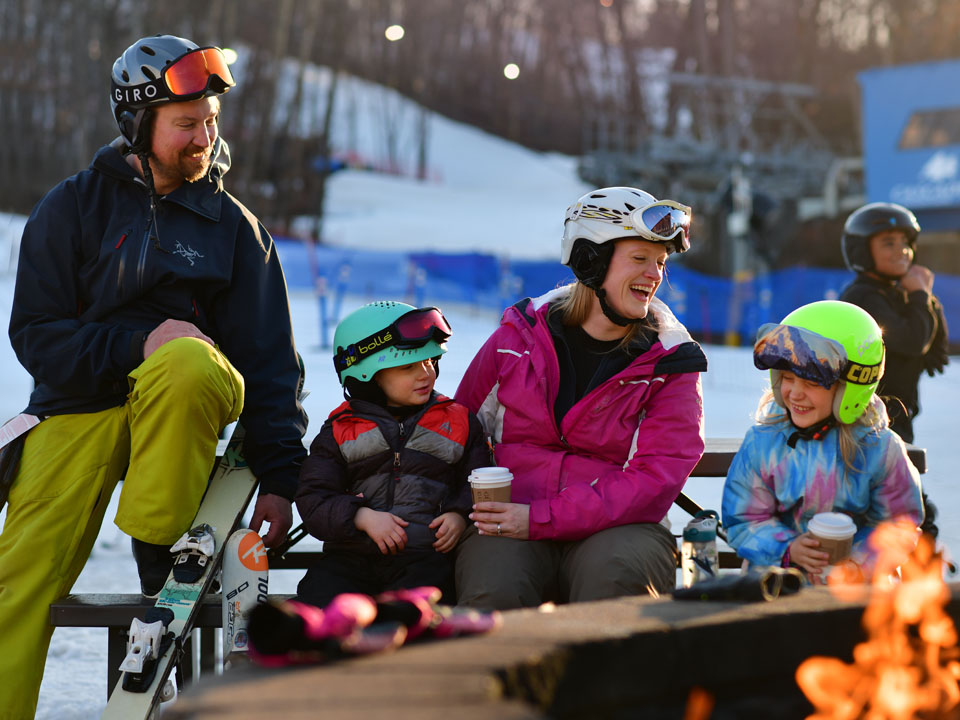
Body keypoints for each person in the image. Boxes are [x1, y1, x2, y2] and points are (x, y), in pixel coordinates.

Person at [0, 35, 307, 718]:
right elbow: (37, 338)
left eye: (210, 122)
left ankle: (160, 565)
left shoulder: (233, 228)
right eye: (186, 124)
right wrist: (138, 342)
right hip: (75, 406)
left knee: (186, 359)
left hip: (189, 400)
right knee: (15, 583)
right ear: (138, 125)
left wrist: (282, 479)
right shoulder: (70, 208)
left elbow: (270, 364)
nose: (204, 137)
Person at [454, 186, 708, 609]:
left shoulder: (670, 364)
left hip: (622, 527)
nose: (655, 275)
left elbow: (653, 479)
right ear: (590, 259)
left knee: (614, 586)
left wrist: (541, 519)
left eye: (660, 262)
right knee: (494, 591)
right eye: (640, 259)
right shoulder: (515, 340)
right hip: (508, 514)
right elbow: (459, 431)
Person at [295, 301, 490, 607]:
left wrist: (458, 513)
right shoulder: (341, 429)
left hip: (422, 558)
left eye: (429, 361)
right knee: (318, 596)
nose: (425, 373)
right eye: (407, 367)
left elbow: (478, 480)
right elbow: (313, 497)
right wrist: (361, 517)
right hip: (351, 557)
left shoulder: (458, 421)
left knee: (422, 602)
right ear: (366, 376)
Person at [721, 300, 924, 580]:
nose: (795, 393)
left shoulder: (879, 448)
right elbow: (743, 519)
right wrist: (786, 548)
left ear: (850, 389)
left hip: (858, 592)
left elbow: (898, 525)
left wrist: (859, 563)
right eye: (788, 378)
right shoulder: (763, 443)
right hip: (778, 586)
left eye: (812, 383)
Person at [839, 202, 949, 444]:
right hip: (866, 425)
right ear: (862, 251)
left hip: (897, 420)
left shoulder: (898, 295)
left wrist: (926, 299)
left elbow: (936, 355)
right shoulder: (863, 296)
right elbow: (912, 342)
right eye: (889, 243)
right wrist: (920, 296)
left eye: (905, 242)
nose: (902, 250)